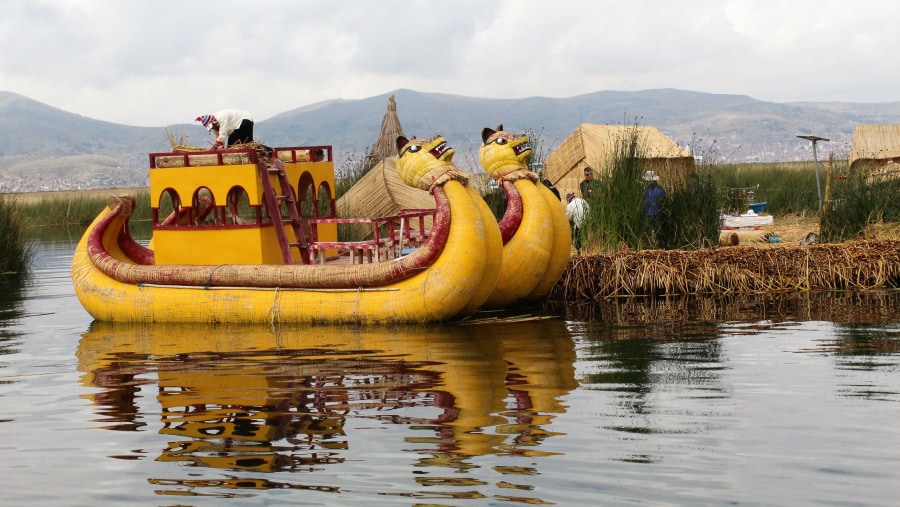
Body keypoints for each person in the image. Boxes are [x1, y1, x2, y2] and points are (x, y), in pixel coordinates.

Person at [642, 170, 665, 239]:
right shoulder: (659, 189)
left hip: (652, 213)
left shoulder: (645, 190)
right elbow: (663, 200)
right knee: (656, 230)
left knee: (652, 230)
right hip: (654, 213)